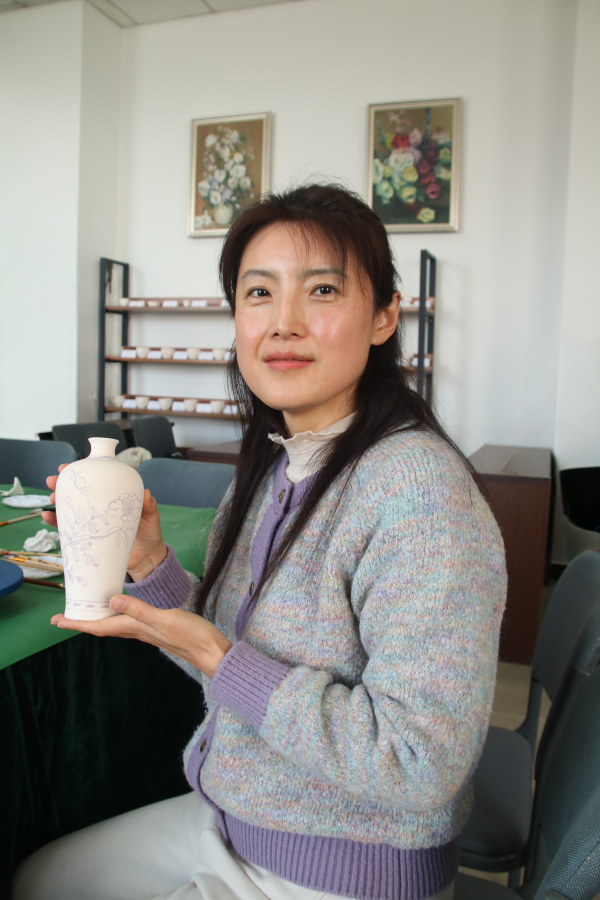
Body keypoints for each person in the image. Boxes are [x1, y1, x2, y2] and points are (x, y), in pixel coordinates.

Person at [13, 184, 506, 900]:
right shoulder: (281, 464)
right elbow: (235, 656)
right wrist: (149, 563)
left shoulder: (420, 495)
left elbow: (417, 763)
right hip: (235, 821)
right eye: (258, 293)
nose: (284, 323)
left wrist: (219, 657)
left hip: (342, 869)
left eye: (323, 290)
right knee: (35, 878)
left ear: (384, 317)